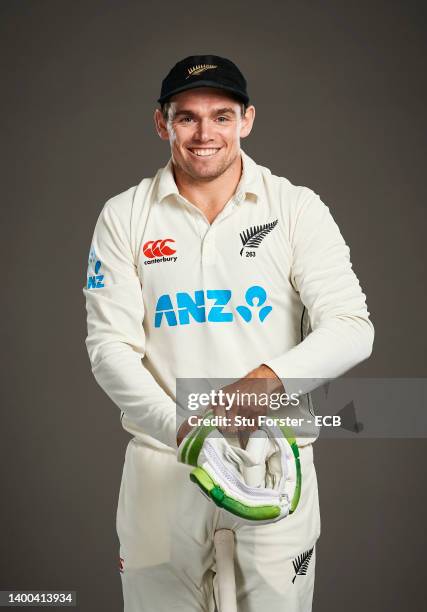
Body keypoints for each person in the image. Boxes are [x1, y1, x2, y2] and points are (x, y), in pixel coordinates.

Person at [83, 54, 374, 612]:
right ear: (161, 123)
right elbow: (109, 349)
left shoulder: (294, 208)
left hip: (272, 465)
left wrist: (269, 380)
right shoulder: (124, 216)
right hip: (163, 469)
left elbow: (352, 327)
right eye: (186, 117)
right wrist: (184, 428)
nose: (203, 133)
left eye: (221, 115)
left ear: (247, 120)